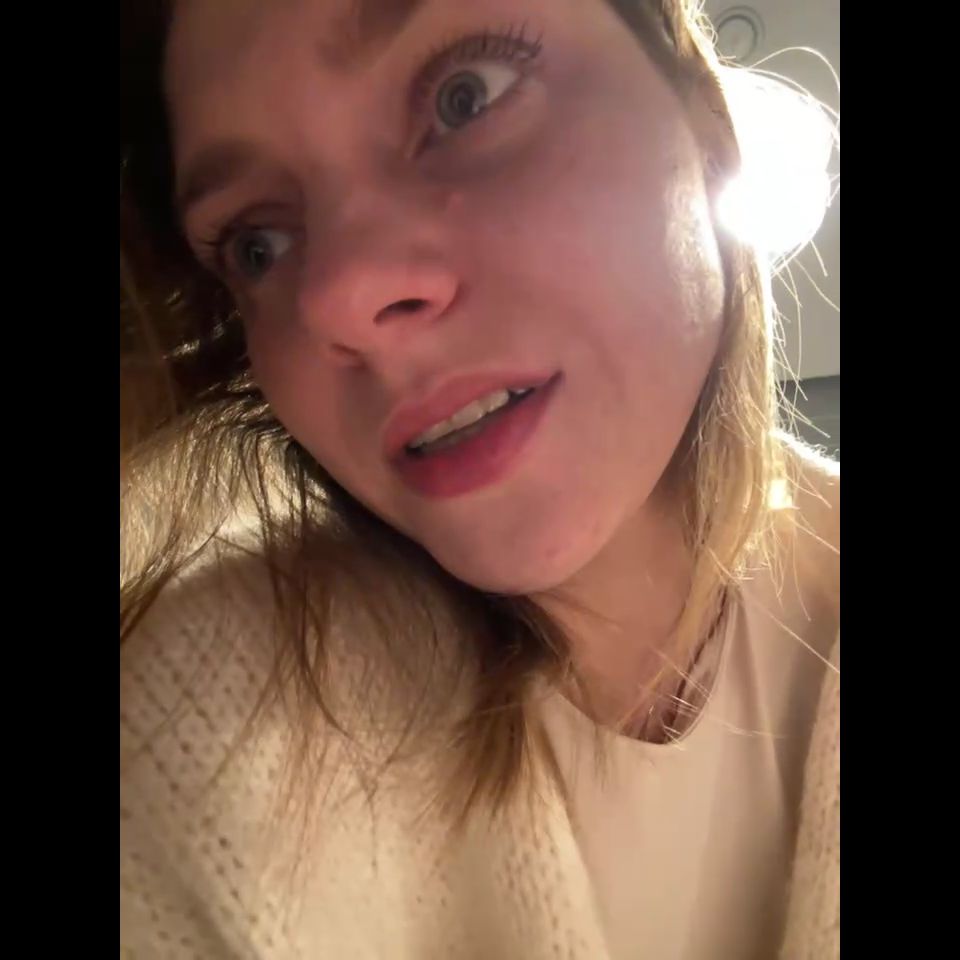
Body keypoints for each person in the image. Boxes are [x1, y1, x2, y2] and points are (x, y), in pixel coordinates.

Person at [120, 1, 840, 957]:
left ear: (706, 127)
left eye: (465, 97)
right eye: (259, 244)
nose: (338, 297)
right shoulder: (197, 738)